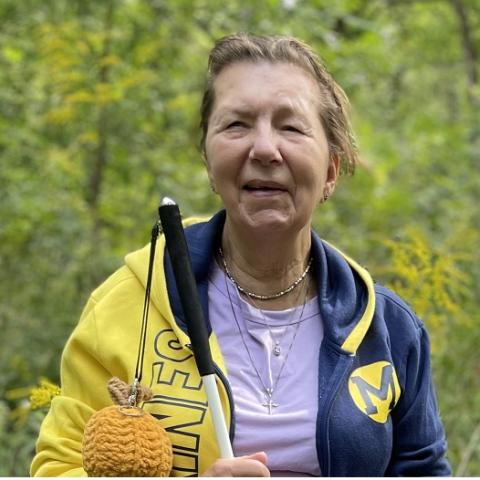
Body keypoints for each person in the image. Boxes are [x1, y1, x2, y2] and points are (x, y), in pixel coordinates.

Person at [31, 33, 451, 477]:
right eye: (237, 125)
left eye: (291, 127)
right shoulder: (127, 306)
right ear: (209, 162)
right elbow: (59, 467)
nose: (265, 149)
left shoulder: (387, 328)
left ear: (331, 170)